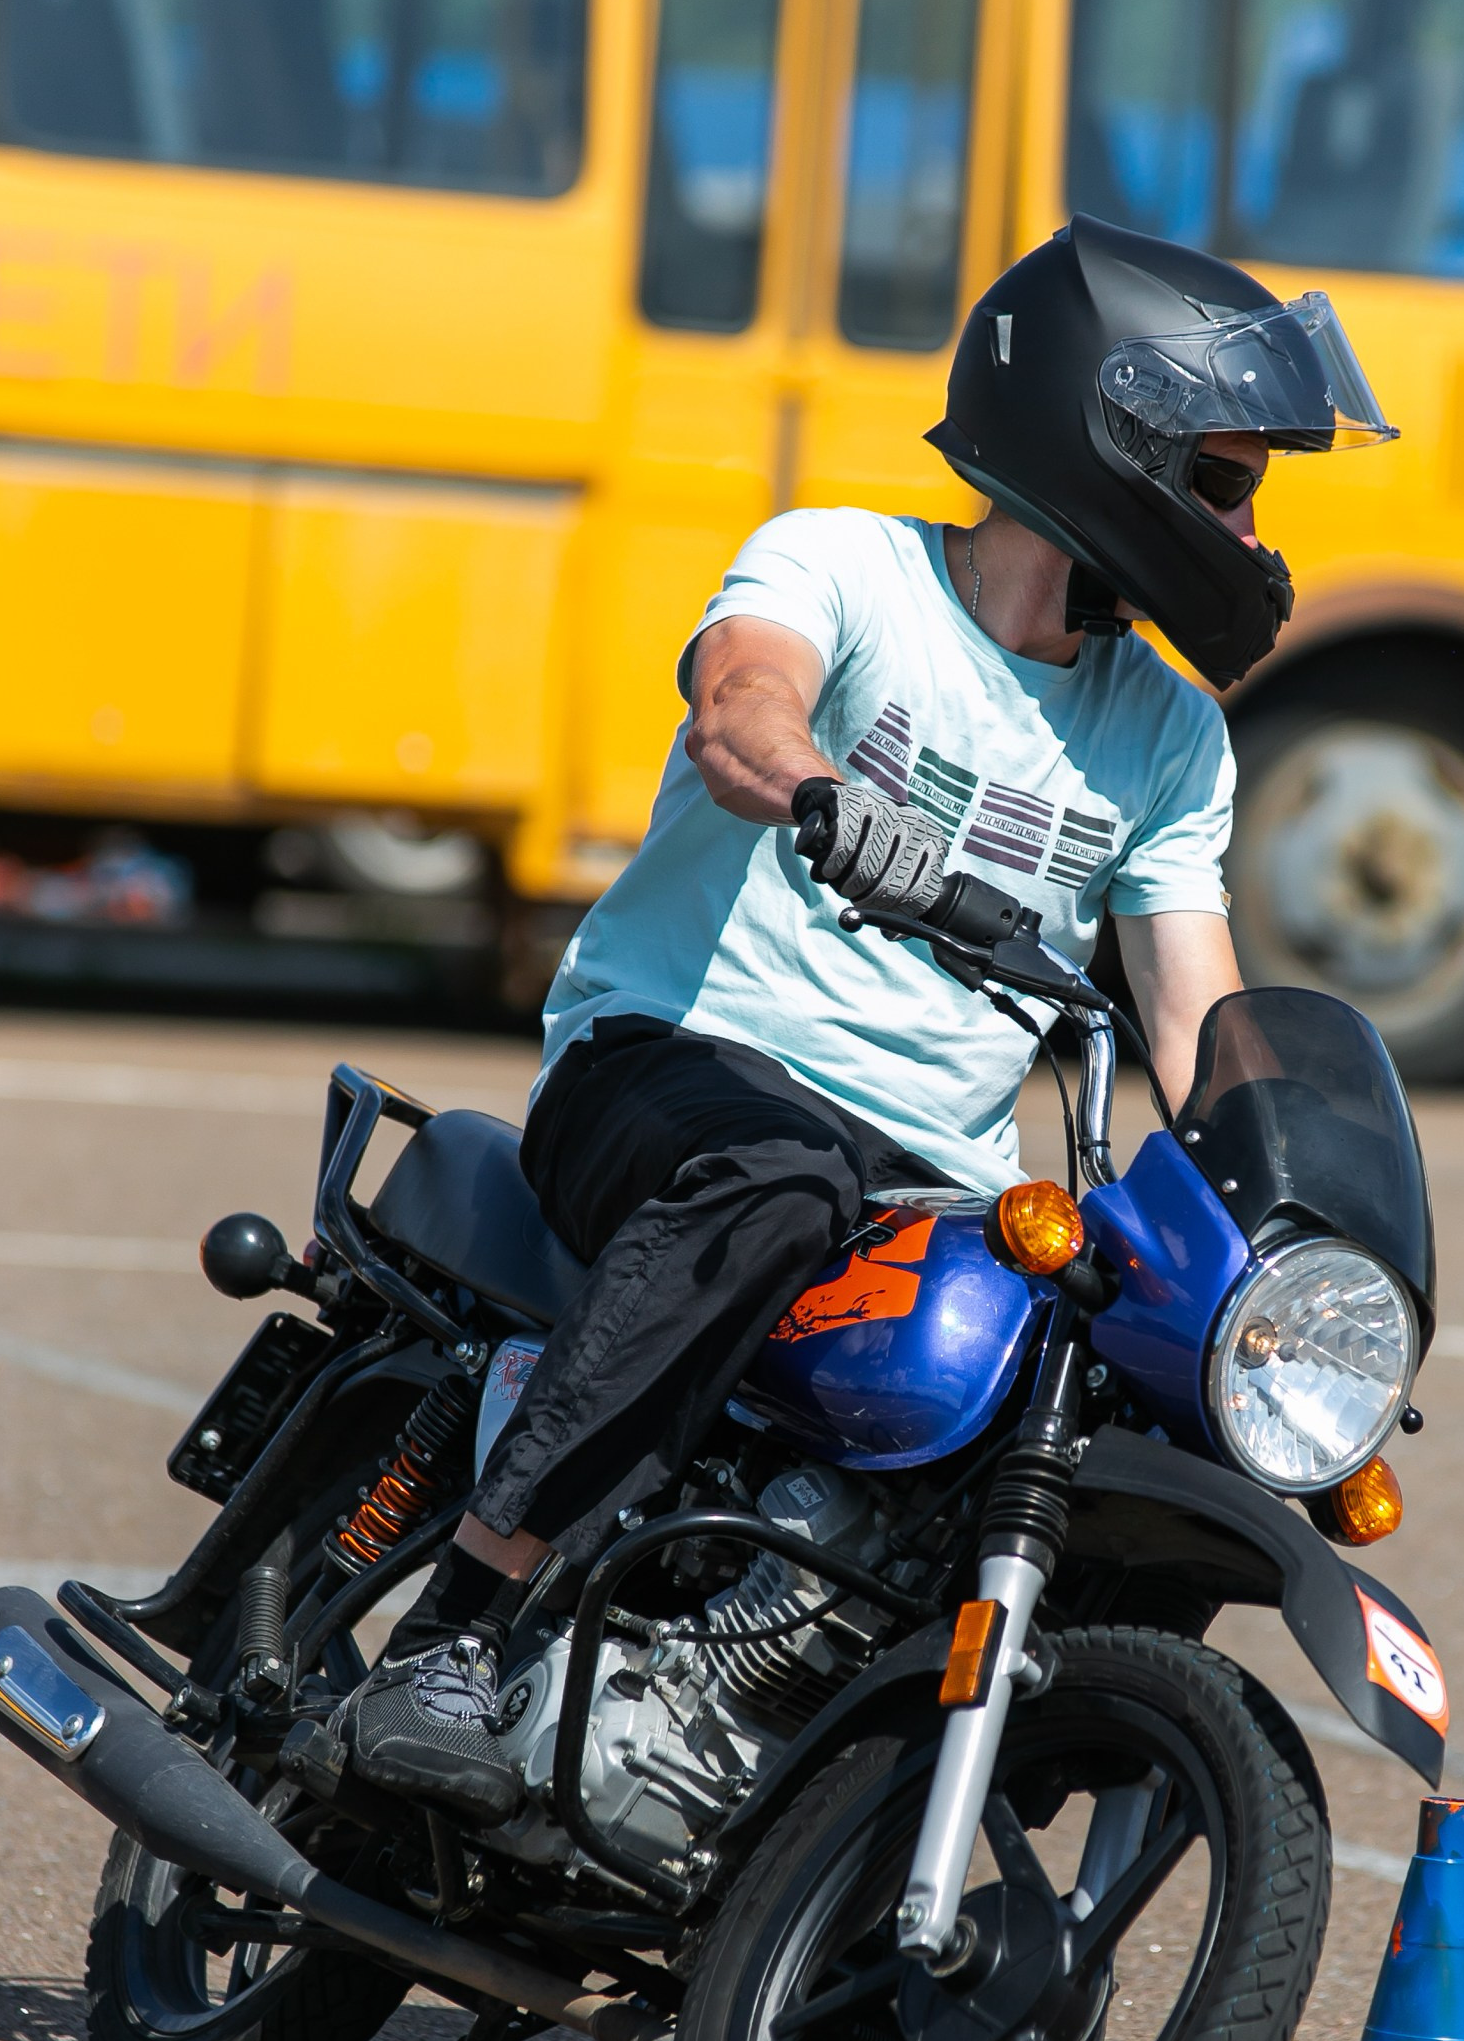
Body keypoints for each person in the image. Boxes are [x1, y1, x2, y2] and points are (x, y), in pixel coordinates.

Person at [351, 216, 1397, 1813]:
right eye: (1231, 482)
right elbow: (739, 705)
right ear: (1106, 438)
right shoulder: (845, 565)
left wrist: (1291, 1264)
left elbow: (1197, 1017)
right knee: (776, 1178)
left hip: (925, 1183)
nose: (1251, 535)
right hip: (676, 1067)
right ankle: (464, 1625)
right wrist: (824, 794)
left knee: (1157, 1391)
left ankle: (857, 1803)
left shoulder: (1169, 740)